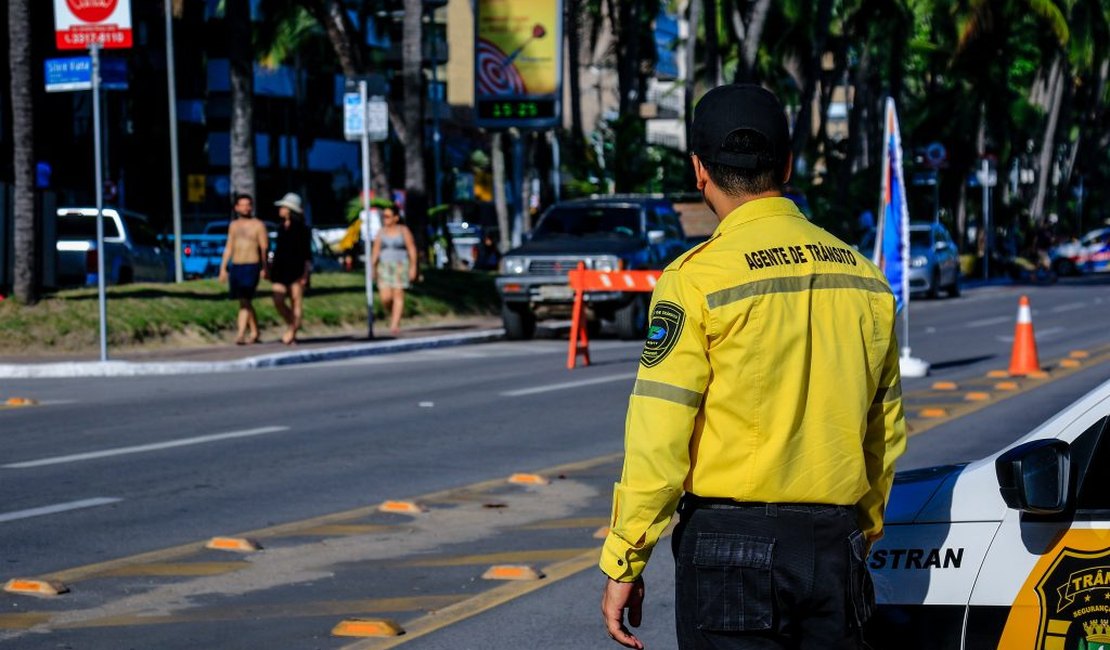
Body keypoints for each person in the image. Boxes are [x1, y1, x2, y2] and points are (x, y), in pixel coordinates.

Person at [599, 84, 907, 649]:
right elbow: (883, 431)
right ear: (787, 166)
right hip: (835, 545)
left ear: (699, 170)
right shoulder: (865, 277)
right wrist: (861, 531)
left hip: (728, 547)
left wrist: (626, 557)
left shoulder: (696, 278)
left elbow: (659, 435)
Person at [218, 193, 269, 345]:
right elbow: (229, 247)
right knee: (244, 301)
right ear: (237, 207)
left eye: (248, 204)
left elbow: (265, 248)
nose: (246, 208)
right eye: (243, 204)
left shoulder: (258, 225)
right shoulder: (233, 226)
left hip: (252, 265)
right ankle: (255, 332)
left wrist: (265, 267)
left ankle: (240, 334)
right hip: (237, 265)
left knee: (246, 299)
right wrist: (223, 268)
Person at [270, 192, 313, 345]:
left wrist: (305, 274)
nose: (280, 209)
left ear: (290, 209)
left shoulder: (302, 229)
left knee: (296, 301)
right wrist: (270, 266)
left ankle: (292, 332)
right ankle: (293, 324)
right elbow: (277, 250)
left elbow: (307, 254)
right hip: (281, 269)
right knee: (278, 298)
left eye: (283, 206)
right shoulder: (281, 227)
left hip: (297, 269)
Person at [371, 204, 418, 335]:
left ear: (396, 217)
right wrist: (373, 267)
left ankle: (394, 324)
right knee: (385, 297)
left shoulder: (403, 231)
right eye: (383, 216)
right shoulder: (381, 232)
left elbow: (412, 249)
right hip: (384, 266)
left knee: (398, 293)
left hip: (400, 265)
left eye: (387, 216)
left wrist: (413, 267)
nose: (385, 219)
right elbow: (375, 251)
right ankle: (393, 314)